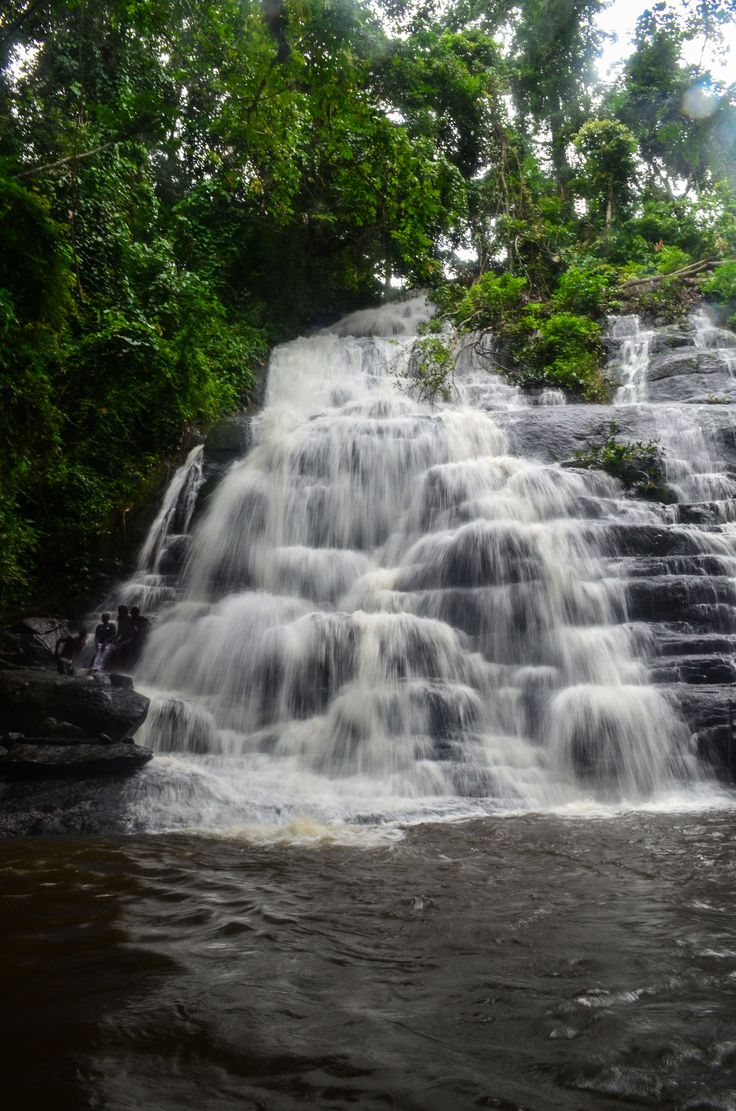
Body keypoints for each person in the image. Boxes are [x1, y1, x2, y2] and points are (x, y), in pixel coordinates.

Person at [112, 604, 135, 668]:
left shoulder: (129, 617)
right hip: (123, 638)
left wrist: (128, 641)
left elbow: (134, 631)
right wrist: (116, 638)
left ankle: (116, 667)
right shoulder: (119, 618)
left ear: (125, 611)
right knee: (113, 647)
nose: (119, 612)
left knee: (120, 648)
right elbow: (119, 629)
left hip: (130, 638)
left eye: (120, 611)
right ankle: (112, 665)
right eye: (119, 611)